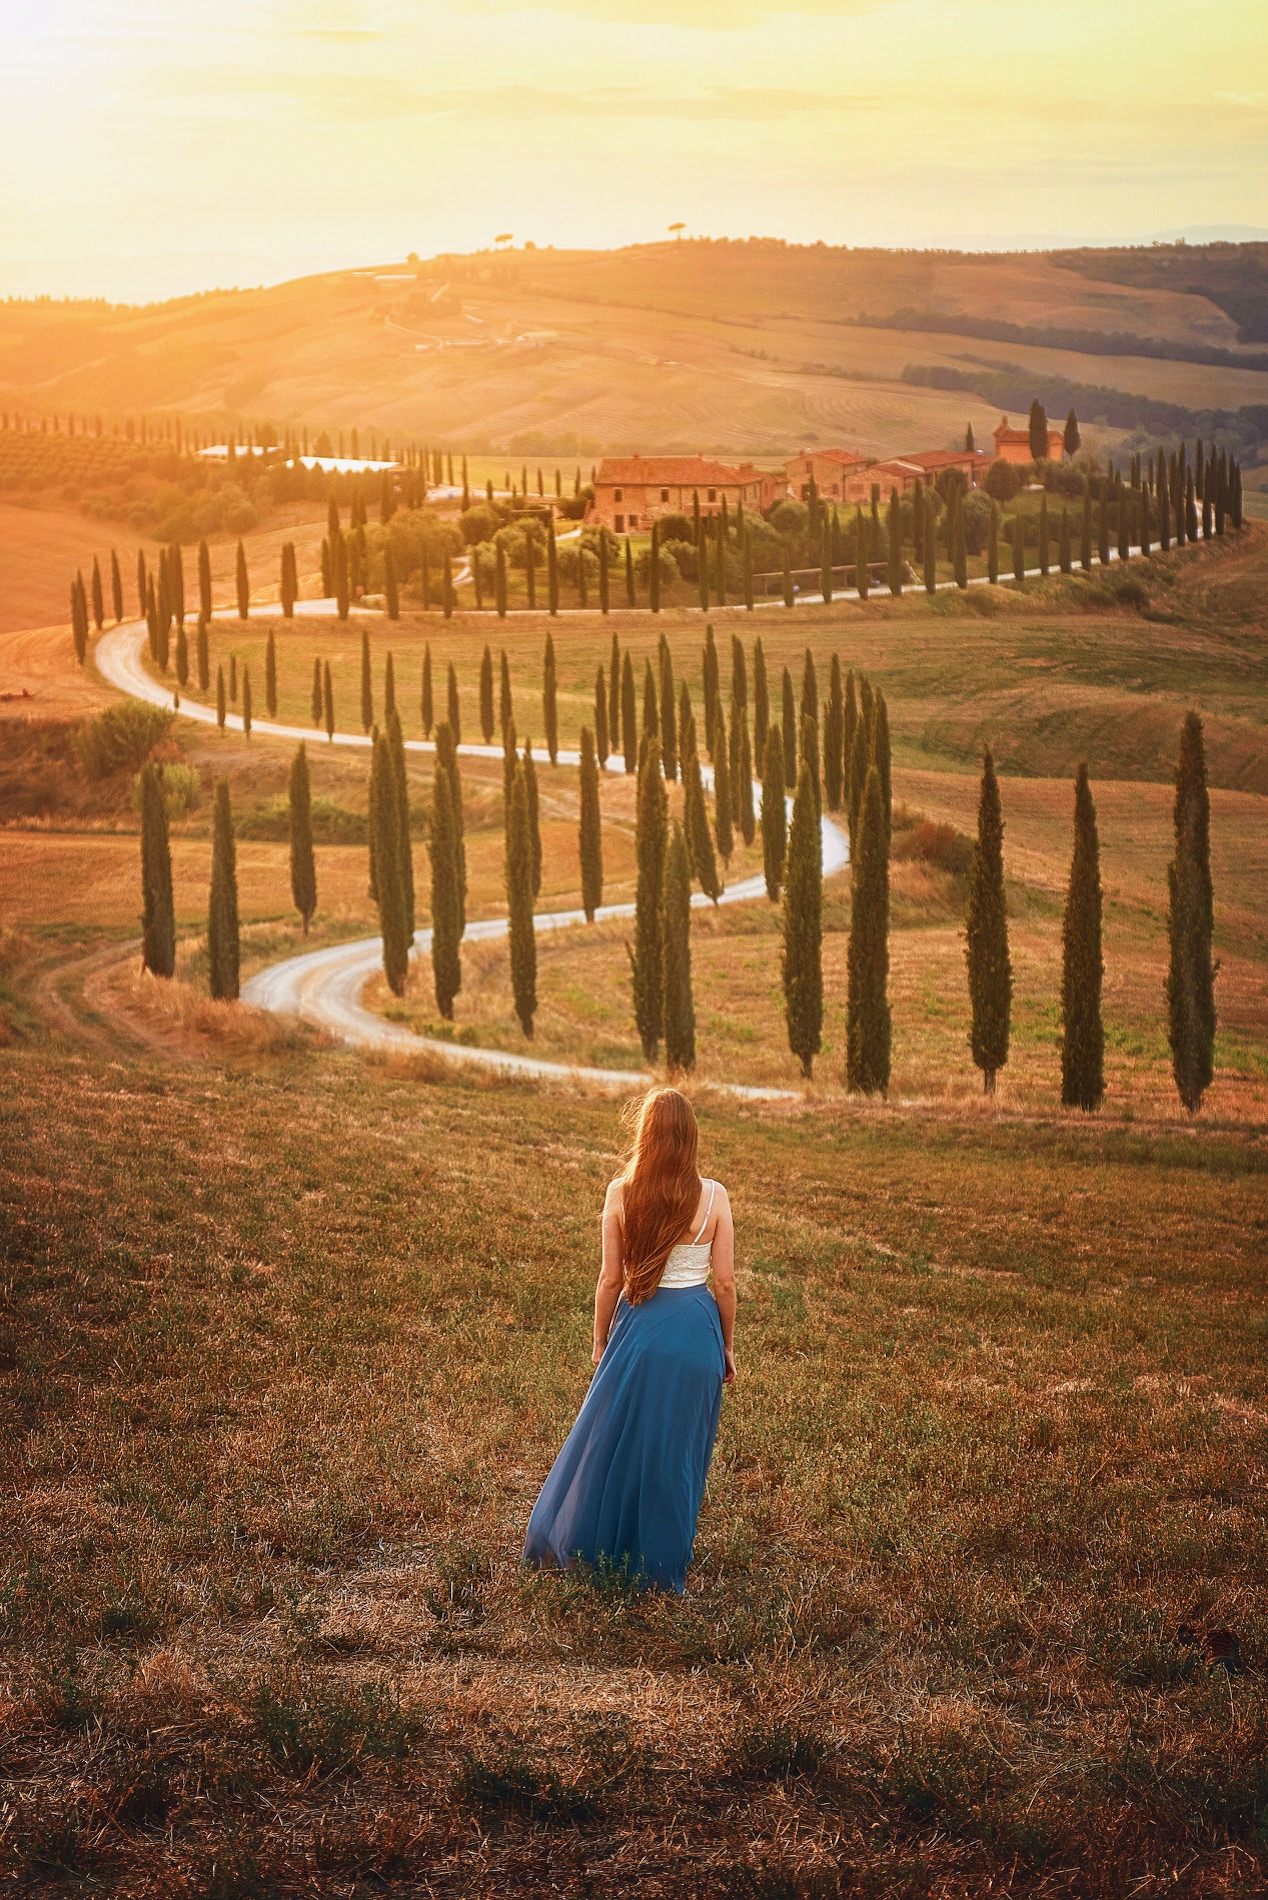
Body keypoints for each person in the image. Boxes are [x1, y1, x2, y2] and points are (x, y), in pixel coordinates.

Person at [522, 1087, 736, 1594]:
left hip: (637, 1330)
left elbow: (609, 1281)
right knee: (676, 1453)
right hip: (695, 1332)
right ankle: (660, 1569)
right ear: (690, 1136)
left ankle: (593, 1549)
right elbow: (724, 1284)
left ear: (645, 1133)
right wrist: (725, 1347)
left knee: (611, 1441)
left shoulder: (621, 1192)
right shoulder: (715, 1196)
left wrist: (601, 1342)